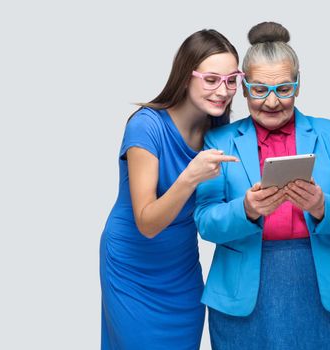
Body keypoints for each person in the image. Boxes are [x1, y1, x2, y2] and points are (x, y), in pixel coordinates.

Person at [194, 22, 330, 349]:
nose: (272, 102)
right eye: (260, 90)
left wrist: (323, 206)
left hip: (322, 289)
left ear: (298, 85)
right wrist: (246, 210)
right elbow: (206, 222)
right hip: (243, 295)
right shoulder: (218, 140)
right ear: (246, 87)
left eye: (284, 89)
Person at [99, 29, 242, 349]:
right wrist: (189, 177)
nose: (223, 90)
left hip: (182, 271)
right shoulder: (145, 126)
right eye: (211, 79)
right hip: (132, 268)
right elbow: (147, 221)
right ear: (185, 76)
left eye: (232, 80)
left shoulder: (218, 132)